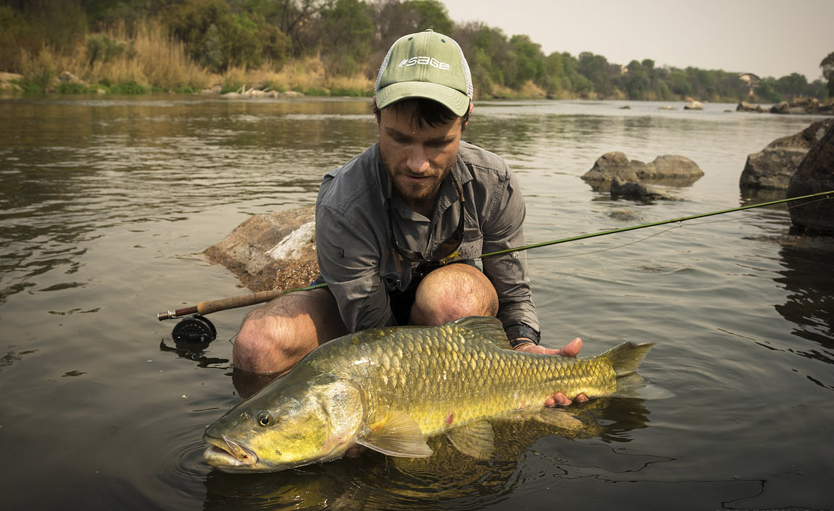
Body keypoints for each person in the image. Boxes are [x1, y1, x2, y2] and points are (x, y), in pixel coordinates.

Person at [233, 29, 586, 407]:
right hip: (359, 319)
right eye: (399, 138)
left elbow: (513, 294)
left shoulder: (494, 183)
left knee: (454, 301)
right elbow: (372, 332)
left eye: (437, 143)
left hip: (446, 315)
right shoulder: (343, 201)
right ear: (376, 114)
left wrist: (523, 349)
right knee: (259, 345)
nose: (418, 163)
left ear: (466, 121)